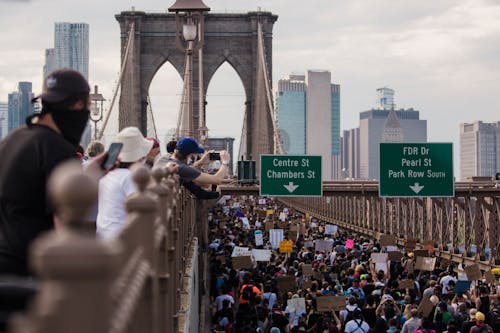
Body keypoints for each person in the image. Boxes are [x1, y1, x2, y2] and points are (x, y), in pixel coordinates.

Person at [0, 68, 106, 275]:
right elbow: (65, 224)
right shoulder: (59, 150)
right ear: (77, 105)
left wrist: (87, 172)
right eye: (88, 106)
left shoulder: (12, 139)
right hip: (31, 272)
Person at [96, 127, 153, 239]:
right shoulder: (130, 177)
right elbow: (142, 205)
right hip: (122, 240)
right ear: (139, 157)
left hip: (102, 236)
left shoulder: (106, 175)